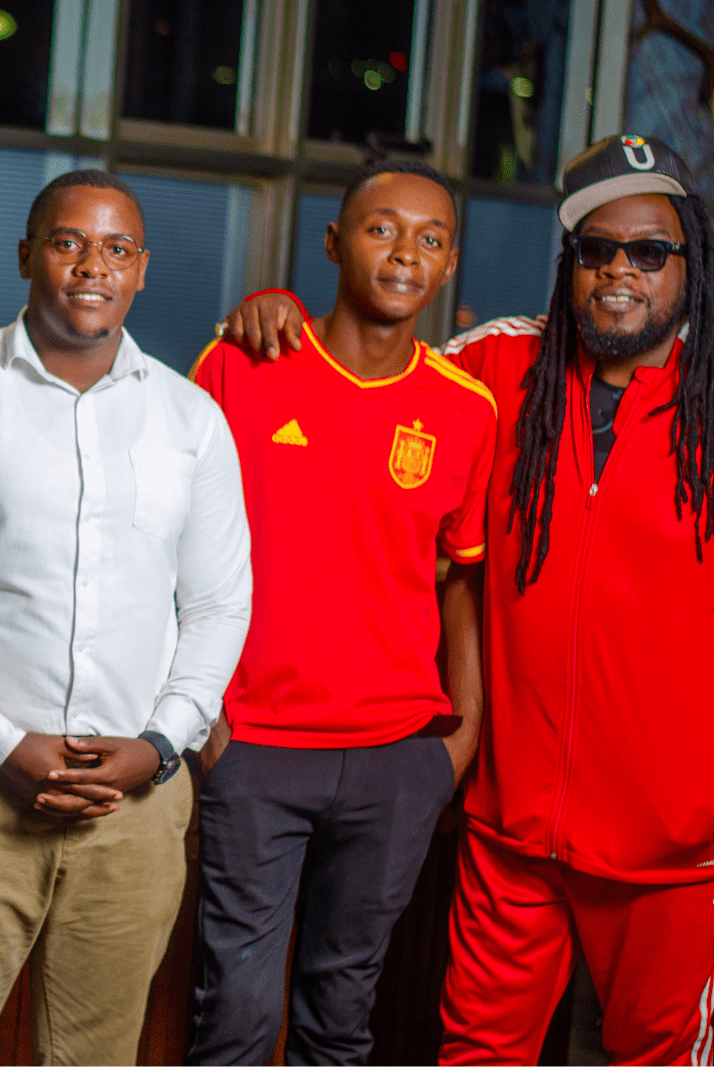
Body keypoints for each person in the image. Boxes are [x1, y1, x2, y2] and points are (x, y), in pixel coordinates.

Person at [221, 135, 714, 1065]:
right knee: (476, 1054)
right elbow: (371, 359)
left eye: (651, 251)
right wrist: (276, 313)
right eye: (597, 249)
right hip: (511, 826)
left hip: (674, 848)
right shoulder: (498, 365)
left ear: (692, 263)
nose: (620, 271)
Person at [0, 169, 252, 1066]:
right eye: (69, 242)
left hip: (135, 804)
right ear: (27, 254)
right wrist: (1, 742)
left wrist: (162, 743)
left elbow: (218, 601)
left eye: (117, 248)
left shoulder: (191, 419)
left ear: (142, 269)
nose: (92, 266)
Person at [185, 159, 492, 1065]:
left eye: (430, 239)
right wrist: (204, 718)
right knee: (234, 1014)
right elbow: (171, 546)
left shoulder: (466, 409)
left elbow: (462, 578)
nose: (404, 253)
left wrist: (461, 736)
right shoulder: (240, 365)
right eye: (381, 228)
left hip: (398, 756)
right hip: (256, 746)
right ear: (333, 242)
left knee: (340, 1016)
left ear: (449, 264)